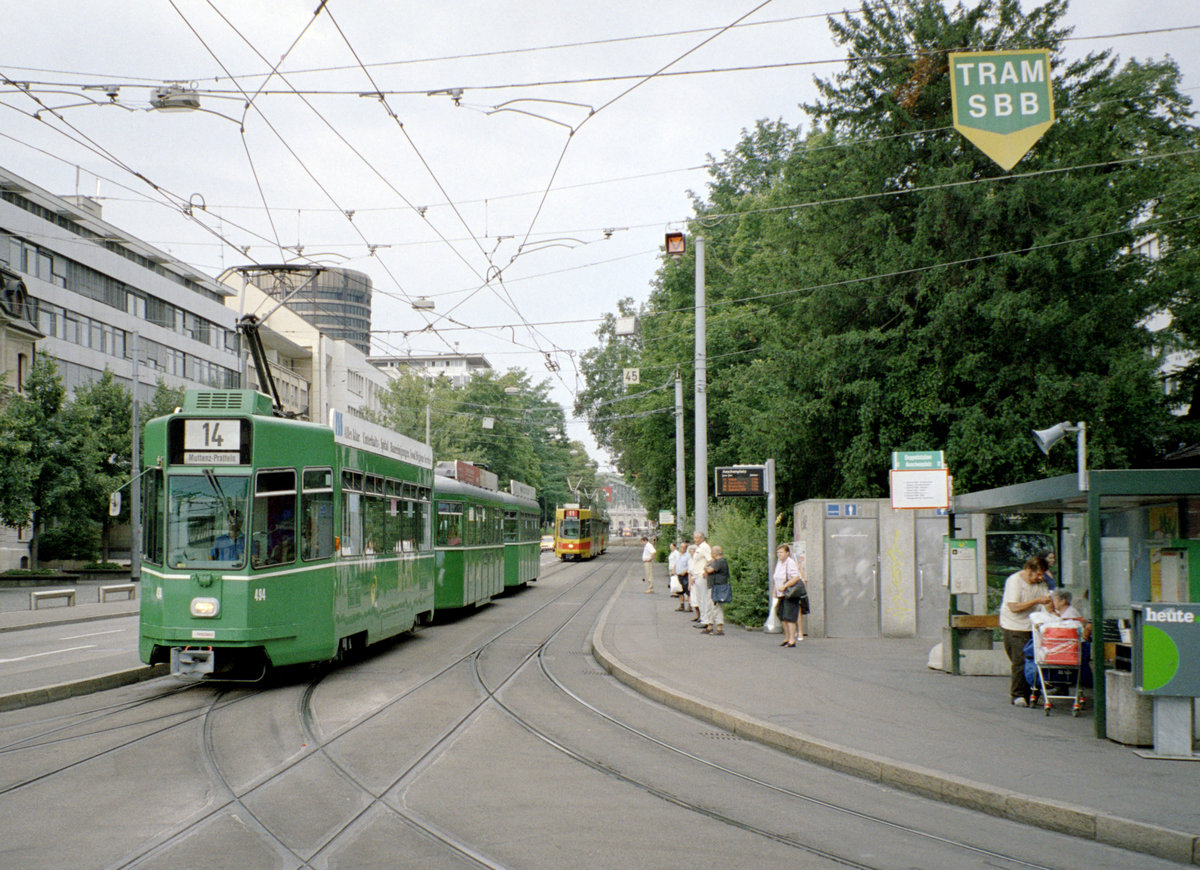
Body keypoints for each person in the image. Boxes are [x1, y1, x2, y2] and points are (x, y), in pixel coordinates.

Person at [1000, 554, 1051, 706]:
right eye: (1037, 573)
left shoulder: (1041, 584)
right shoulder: (1015, 581)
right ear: (1028, 569)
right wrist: (1036, 601)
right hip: (1014, 625)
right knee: (1020, 660)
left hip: (1033, 625)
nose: (1040, 577)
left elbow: (1046, 602)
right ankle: (1018, 694)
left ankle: (1033, 691)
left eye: (1042, 574)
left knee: (1036, 659)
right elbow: (1014, 606)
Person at [773, 544, 805, 647]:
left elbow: (796, 577)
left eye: (781, 552)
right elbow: (777, 578)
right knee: (782, 615)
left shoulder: (790, 563)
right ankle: (786, 638)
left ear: (787, 553)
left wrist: (785, 586)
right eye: (778, 553)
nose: (779, 555)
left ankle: (792, 639)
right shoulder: (779, 563)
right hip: (780, 593)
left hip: (789, 593)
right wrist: (775, 591)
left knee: (790, 616)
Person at [689, 531, 713, 631]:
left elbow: (710, 560)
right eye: (694, 538)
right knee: (699, 598)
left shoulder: (705, 547)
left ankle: (706, 620)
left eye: (697, 538)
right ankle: (703, 619)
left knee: (704, 598)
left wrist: (705, 570)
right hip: (697, 576)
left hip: (701, 575)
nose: (695, 540)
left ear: (702, 538)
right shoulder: (699, 548)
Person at [705, 544, 730, 636]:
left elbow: (709, 570)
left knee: (716, 607)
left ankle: (719, 628)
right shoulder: (716, 561)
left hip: (718, 587)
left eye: (711, 552)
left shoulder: (720, 562)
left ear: (715, 553)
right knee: (710, 607)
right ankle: (710, 626)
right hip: (713, 587)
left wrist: (706, 566)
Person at [675, 542, 691, 613]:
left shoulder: (688, 556)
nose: (681, 548)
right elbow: (676, 563)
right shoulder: (678, 555)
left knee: (687, 590)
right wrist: (674, 570)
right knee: (679, 590)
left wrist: (685, 571)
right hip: (678, 574)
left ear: (686, 548)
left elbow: (690, 565)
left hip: (685, 575)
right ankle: (681, 605)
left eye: (683, 547)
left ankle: (690, 605)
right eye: (681, 547)